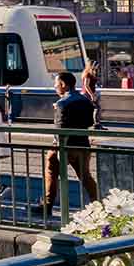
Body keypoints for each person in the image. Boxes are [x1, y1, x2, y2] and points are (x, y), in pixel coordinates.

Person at [42, 71, 100, 215]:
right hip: (82, 144)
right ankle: (98, 204)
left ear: (63, 85)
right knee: (85, 176)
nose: (55, 87)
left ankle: (47, 205)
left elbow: (60, 130)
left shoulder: (62, 103)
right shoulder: (85, 100)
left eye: (56, 84)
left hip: (65, 147)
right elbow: (88, 122)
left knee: (51, 170)